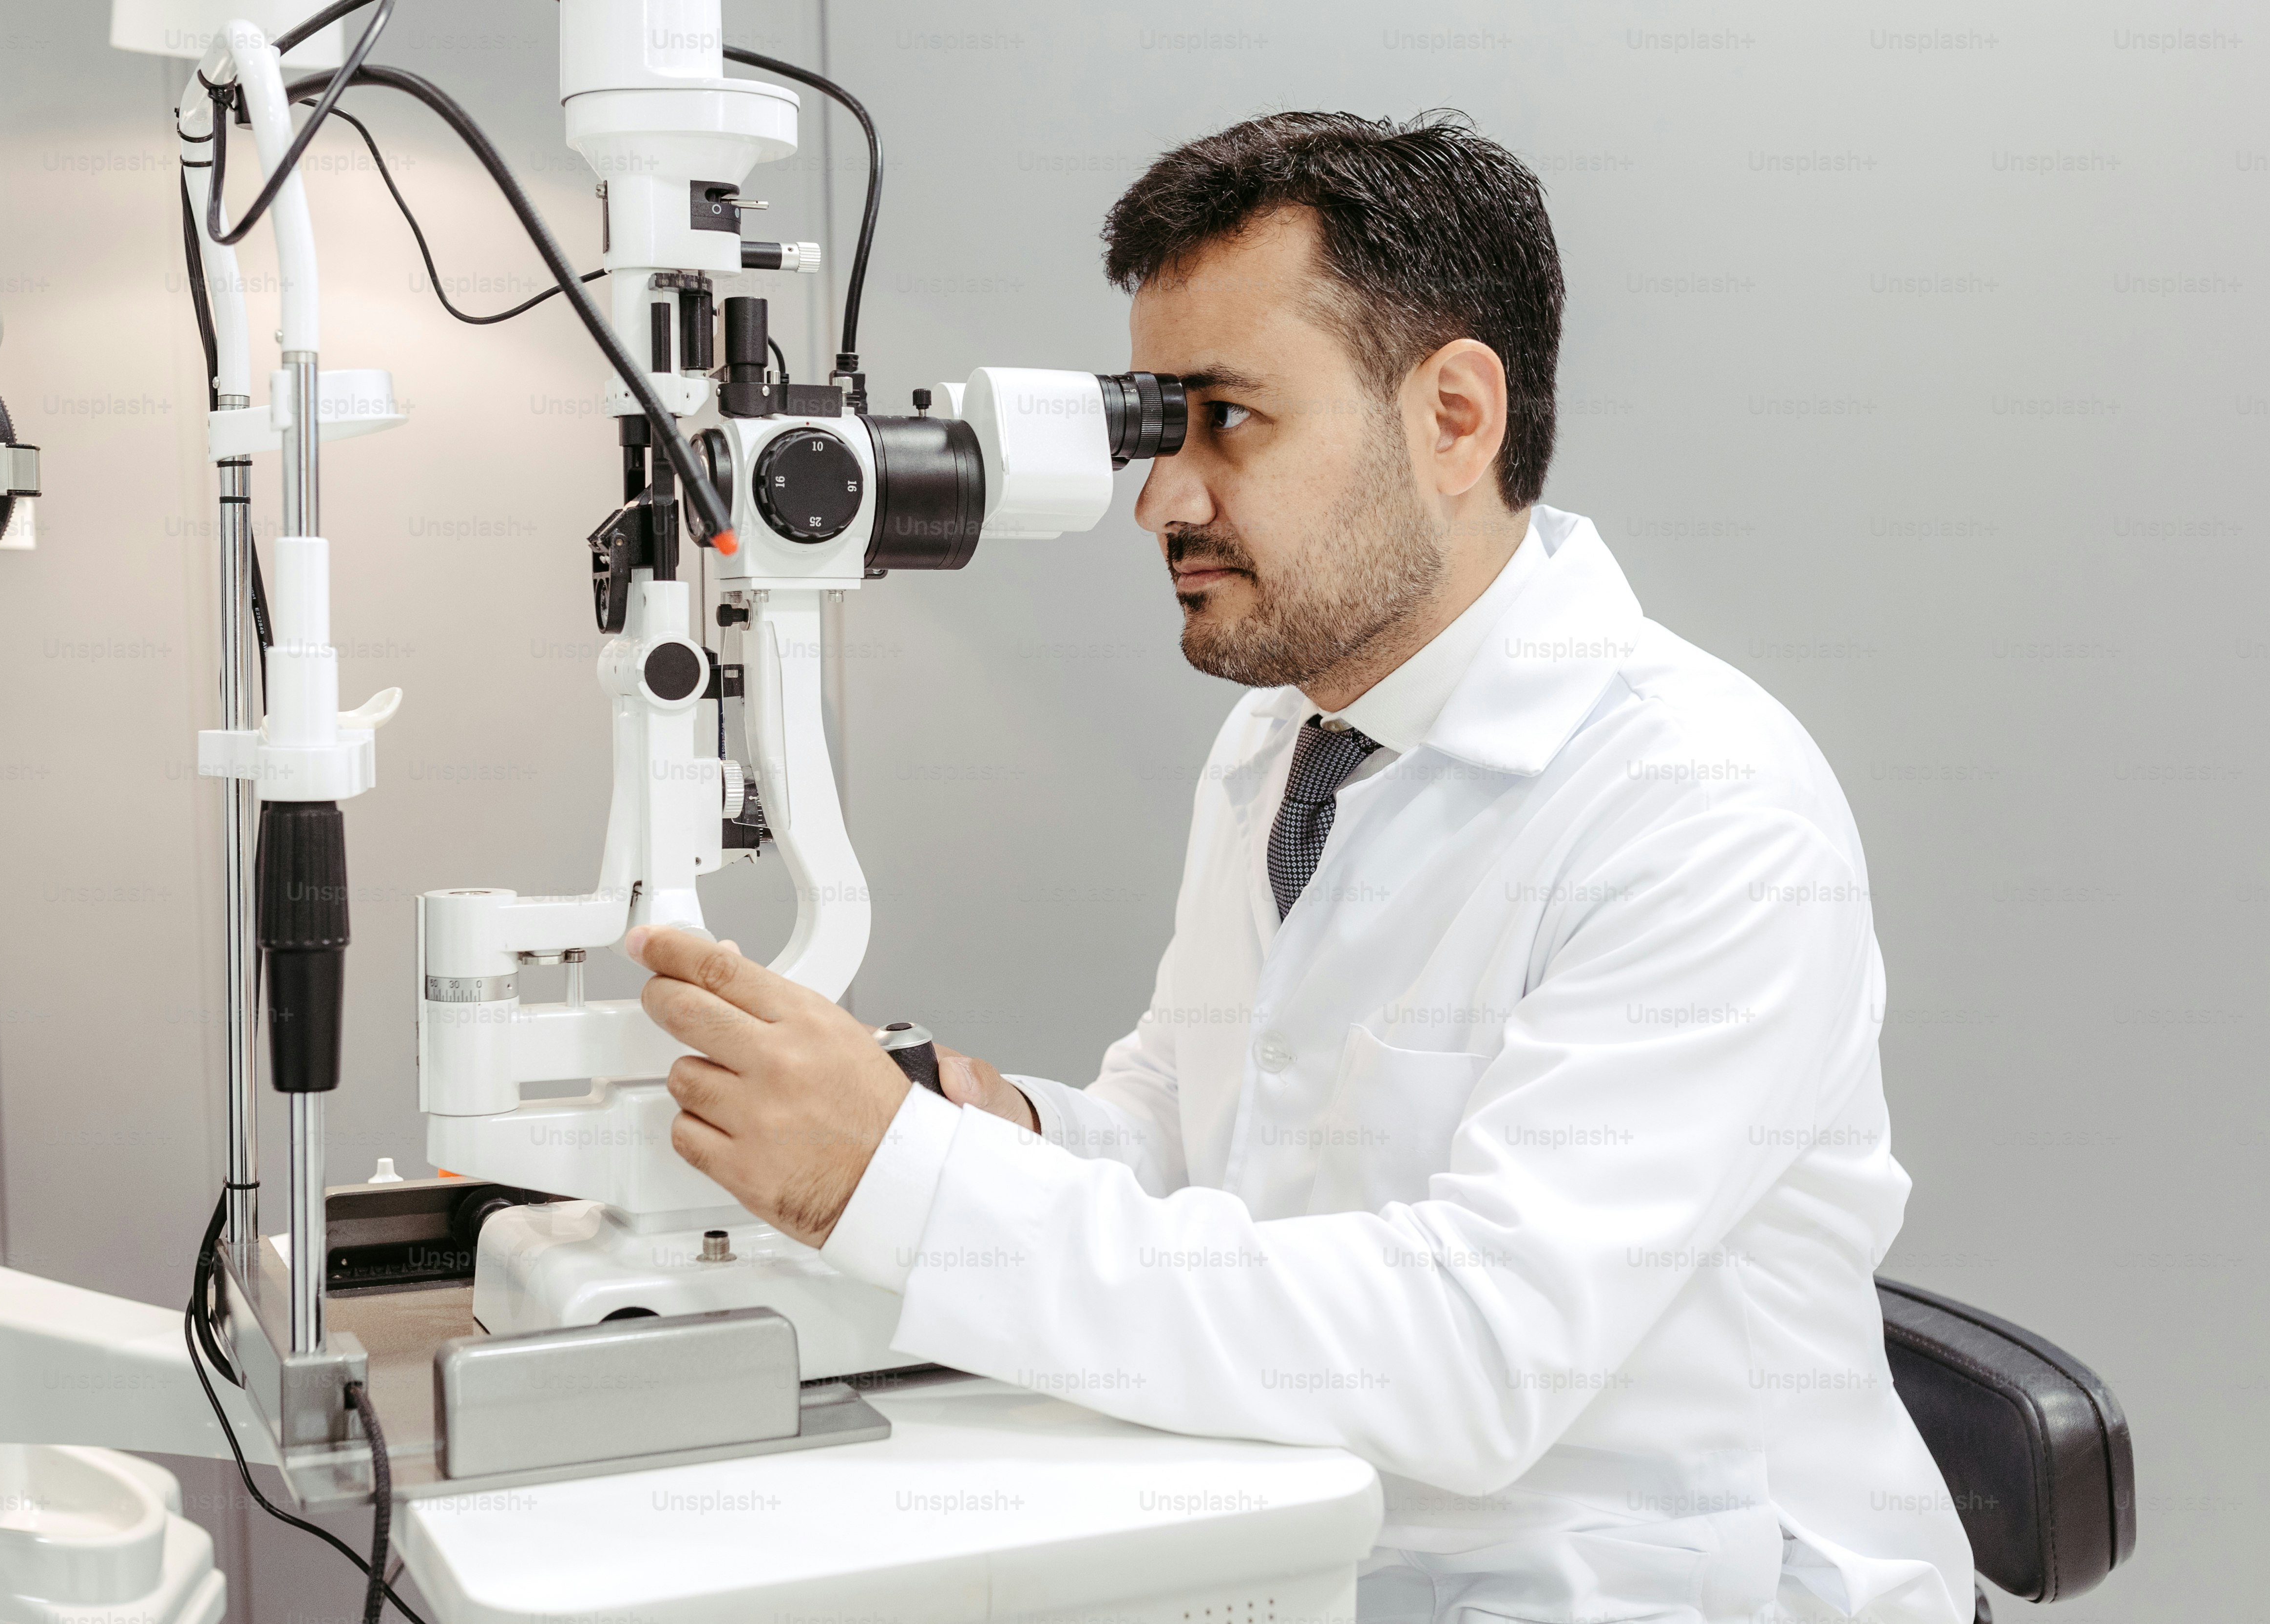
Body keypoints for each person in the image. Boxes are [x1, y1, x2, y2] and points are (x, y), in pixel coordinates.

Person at [626, 111, 1974, 1624]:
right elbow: (1194, 1143)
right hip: (1324, 1550)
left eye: (1227, 421)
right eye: (1155, 424)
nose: (1162, 499)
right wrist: (985, 1123)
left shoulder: (1703, 809)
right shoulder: (1292, 741)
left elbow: (1478, 1353)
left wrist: (901, 1180)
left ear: (1454, 418)